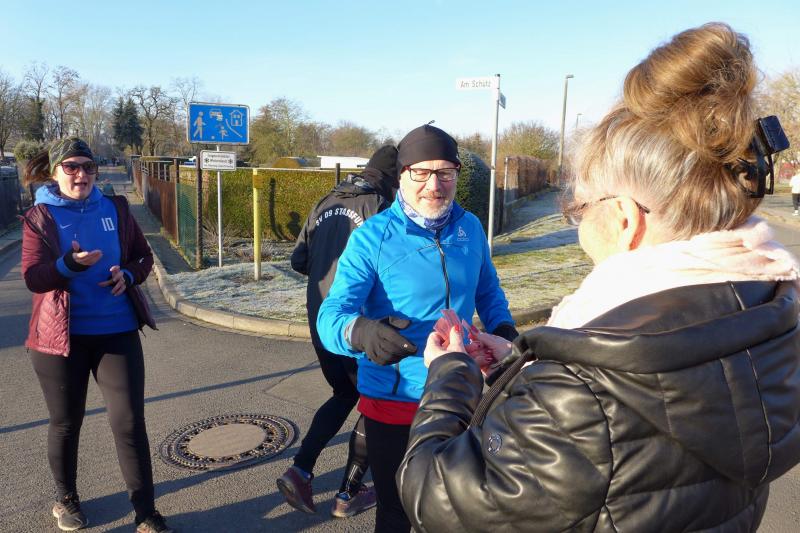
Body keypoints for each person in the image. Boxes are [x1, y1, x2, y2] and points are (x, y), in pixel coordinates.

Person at [396, 23, 800, 533]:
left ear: (626, 219)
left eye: (581, 207)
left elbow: (435, 497)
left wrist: (450, 372)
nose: (578, 222)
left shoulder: (580, 387)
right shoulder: (766, 312)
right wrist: (521, 364)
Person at [317, 124, 518, 533]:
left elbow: (488, 291)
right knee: (398, 513)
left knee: (457, 510)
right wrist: (363, 334)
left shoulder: (470, 227)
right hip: (396, 401)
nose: (434, 185)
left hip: (462, 391)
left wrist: (504, 329)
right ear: (402, 175)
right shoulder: (372, 237)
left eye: (445, 172)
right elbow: (331, 316)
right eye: (421, 172)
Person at [20, 138, 174, 533]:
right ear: (55, 171)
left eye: (88, 167)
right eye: (71, 167)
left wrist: (129, 275)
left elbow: (143, 256)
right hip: (59, 340)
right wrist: (68, 264)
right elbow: (34, 278)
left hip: (116, 332)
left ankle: (146, 513)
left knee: (129, 423)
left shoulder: (116, 208)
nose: (81, 175)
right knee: (66, 422)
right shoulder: (40, 216)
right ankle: (66, 498)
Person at [277, 145, 399, 517]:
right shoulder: (381, 206)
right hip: (359, 327)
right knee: (376, 400)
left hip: (321, 319)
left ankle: (300, 470)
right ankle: (348, 493)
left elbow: (299, 260)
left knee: (344, 393)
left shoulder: (325, 201)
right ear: (394, 178)